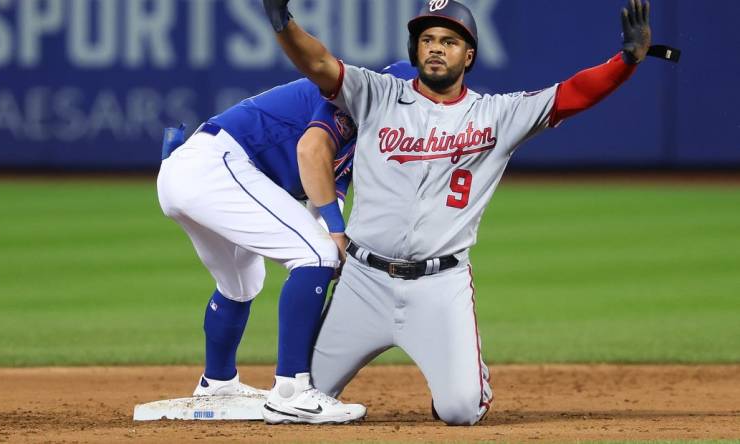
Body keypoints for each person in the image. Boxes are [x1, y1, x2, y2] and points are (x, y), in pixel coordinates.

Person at [262, 0, 654, 425]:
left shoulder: (497, 114)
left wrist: (626, 62)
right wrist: (283, 23)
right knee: (304, 396)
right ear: (415, 50)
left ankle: (466, 376)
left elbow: (570, 94)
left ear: (468, 55)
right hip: (363, 282)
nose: (436, 48)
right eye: (427, 39)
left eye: (449, 41)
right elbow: (318, 62)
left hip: (439, 287)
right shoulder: (375, 92)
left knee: (461, 411)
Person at [156, 63, 417, 424]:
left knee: (242, 283)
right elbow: (311, 153)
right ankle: (291, 390)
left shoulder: (368, 130)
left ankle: (217, 382)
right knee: (317, 254)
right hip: (214, 165)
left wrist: (334, 240)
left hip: (196, 173)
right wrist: (332, 243)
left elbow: (328, 190)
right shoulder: (347, 97)